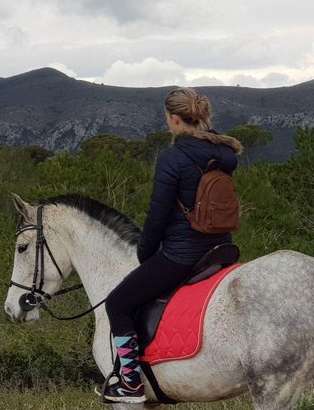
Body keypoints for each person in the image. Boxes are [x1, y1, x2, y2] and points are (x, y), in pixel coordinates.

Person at [101, 88, 244, 403]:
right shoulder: (225, 155)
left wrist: (145, 253)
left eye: (168, 118)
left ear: (176, 120)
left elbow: (158, 214)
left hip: (183, 254)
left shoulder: (172, 157)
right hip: (221, 249)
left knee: (118, 303)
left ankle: (130, 382)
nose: (167, 123)